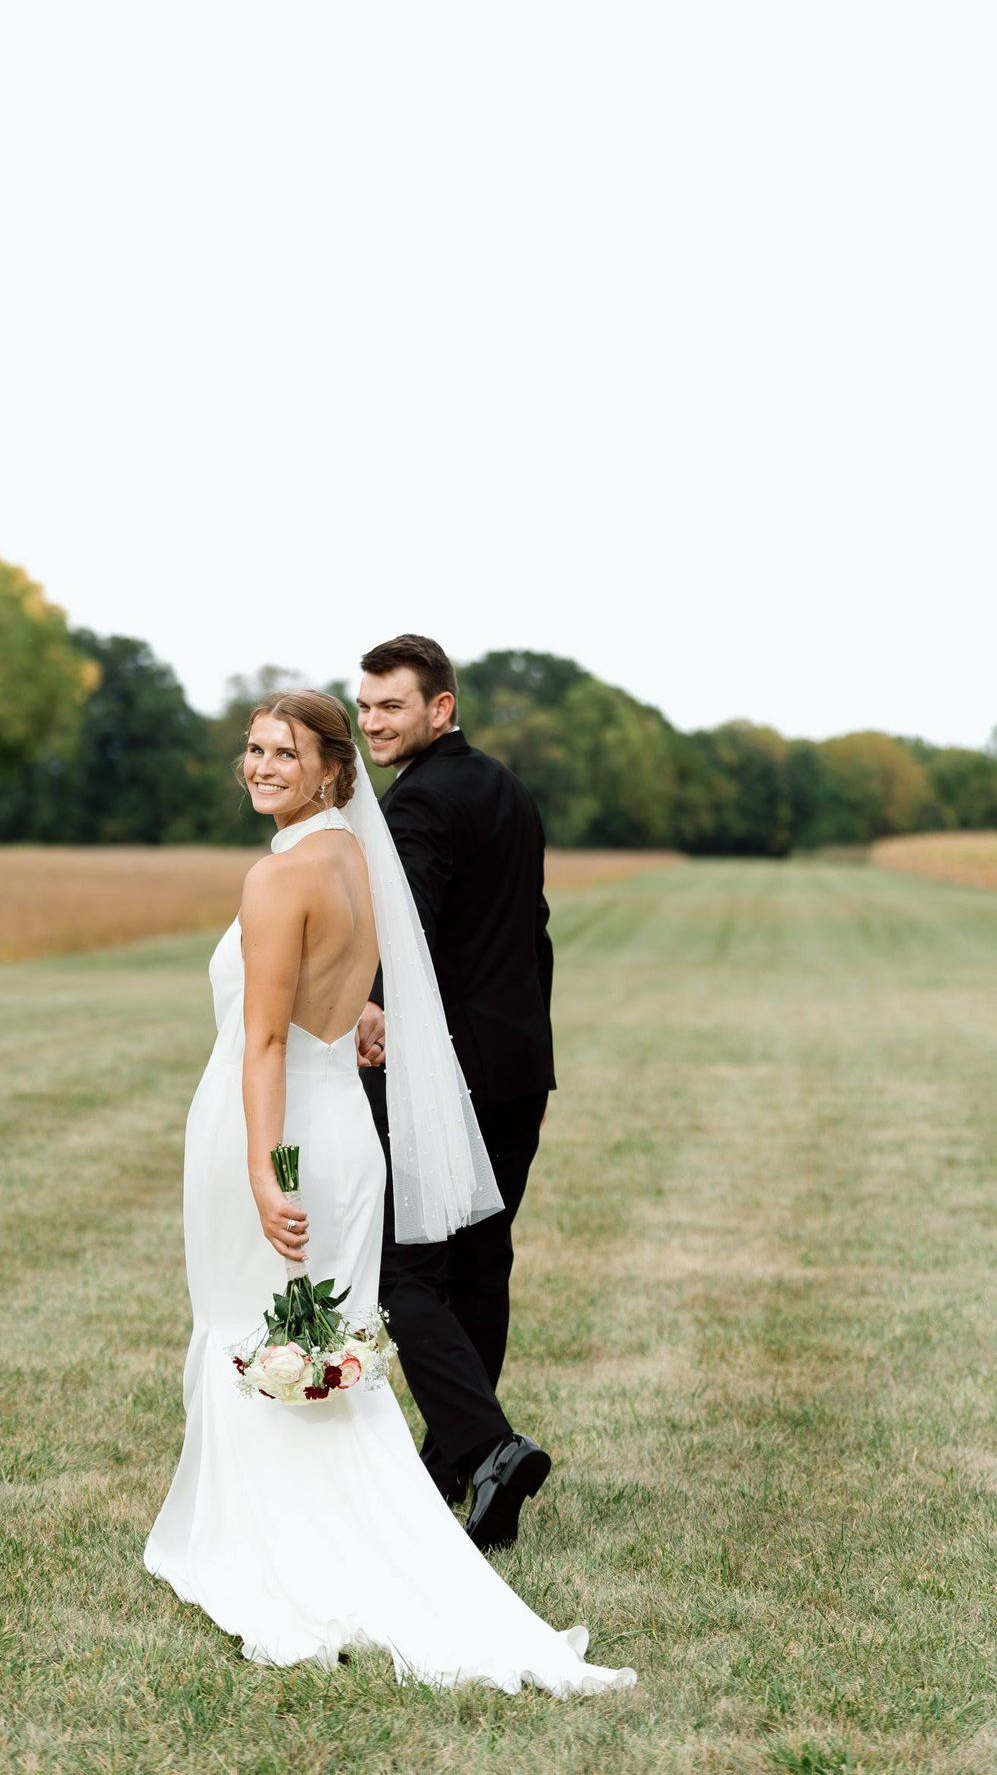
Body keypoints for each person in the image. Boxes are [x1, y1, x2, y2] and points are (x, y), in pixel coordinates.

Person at [144, 690, 634, 1696]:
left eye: (286, 752)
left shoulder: (278, 878)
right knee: (324, 1344)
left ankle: (277, 1551)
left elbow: (267, 1038)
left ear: (332, 768)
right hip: (345, 1131)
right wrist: (357, 1026)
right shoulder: (360, 863)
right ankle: (341, 1529)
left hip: (283, 1132)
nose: (262, 765)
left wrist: (260, 1165)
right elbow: (355, 995)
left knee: (259, 1325)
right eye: (253, 748)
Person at [355, 634, 555, 1548]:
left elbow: (408, 934)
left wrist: (371, 1011)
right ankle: (456, 1468)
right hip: (519, 1063)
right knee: (481, 1261)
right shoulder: (506, 788)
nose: (371, 723)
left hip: (449, 1074)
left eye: (390, 706)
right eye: (363, 707)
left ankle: (484, 1446)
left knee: (405, 1271)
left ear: (440, 707)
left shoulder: (420, 803)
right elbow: (529, 931)